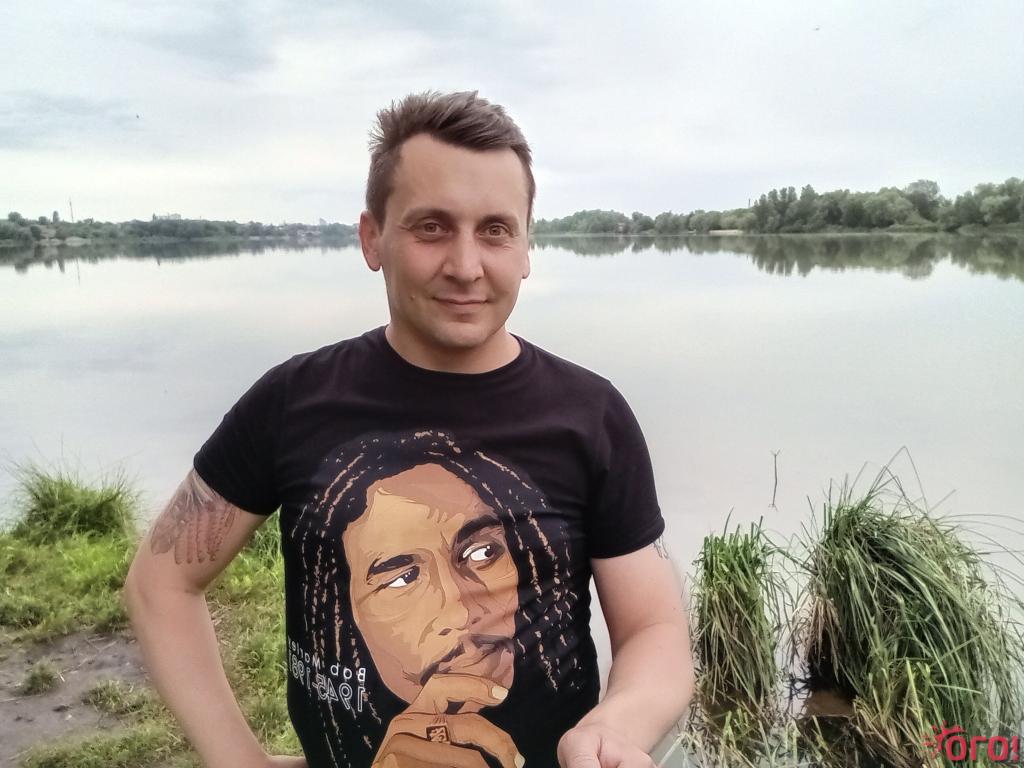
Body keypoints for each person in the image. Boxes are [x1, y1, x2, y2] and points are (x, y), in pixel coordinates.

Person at [125, 90, 694, 768]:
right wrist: (236, 759)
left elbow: (654, 627)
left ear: (526, 247)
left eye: (495, 230)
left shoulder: (590, 415)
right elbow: (161, 584)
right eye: (431, 227)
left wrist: (617, 727)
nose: (466, 266)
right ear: (373, 239)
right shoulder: (293, 401)